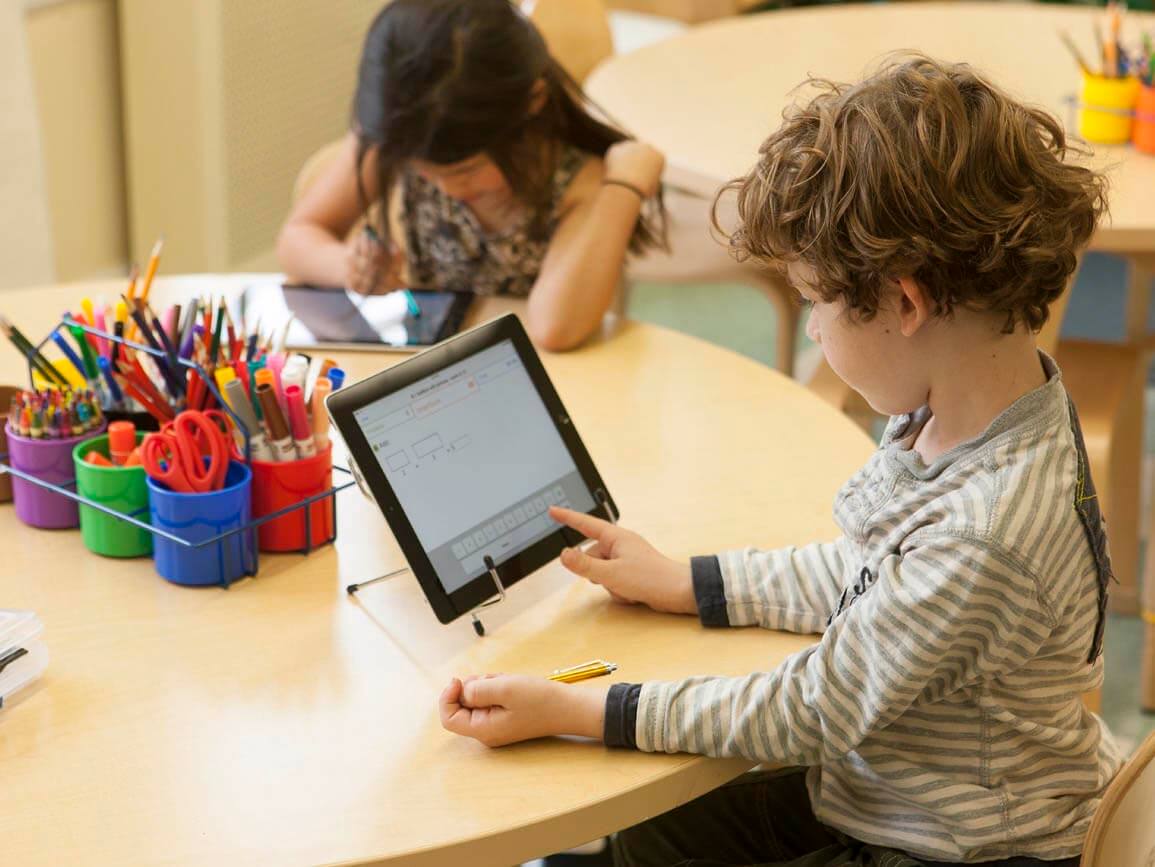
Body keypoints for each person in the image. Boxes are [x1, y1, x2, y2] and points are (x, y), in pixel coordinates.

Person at [438, 55, 1126, 866]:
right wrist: (693, 581)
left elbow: (808, 707)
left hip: (953, 845)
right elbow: (871, 574)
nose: (809, 331)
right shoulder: (981, 409)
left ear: (903, 303)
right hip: (881, 786)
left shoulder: (983, 535)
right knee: (648, 837)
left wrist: (579, 709)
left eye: (813, 303)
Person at [276, 0, 666, 352]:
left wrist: (624, 189)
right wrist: (349, 267)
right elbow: (298, 238)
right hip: (440, 372)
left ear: (534, 102)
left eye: (466, 170)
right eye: (422, 172)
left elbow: (555, 330)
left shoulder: (578, 179)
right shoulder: (402, 135)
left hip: (547, 380)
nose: (448, 188)